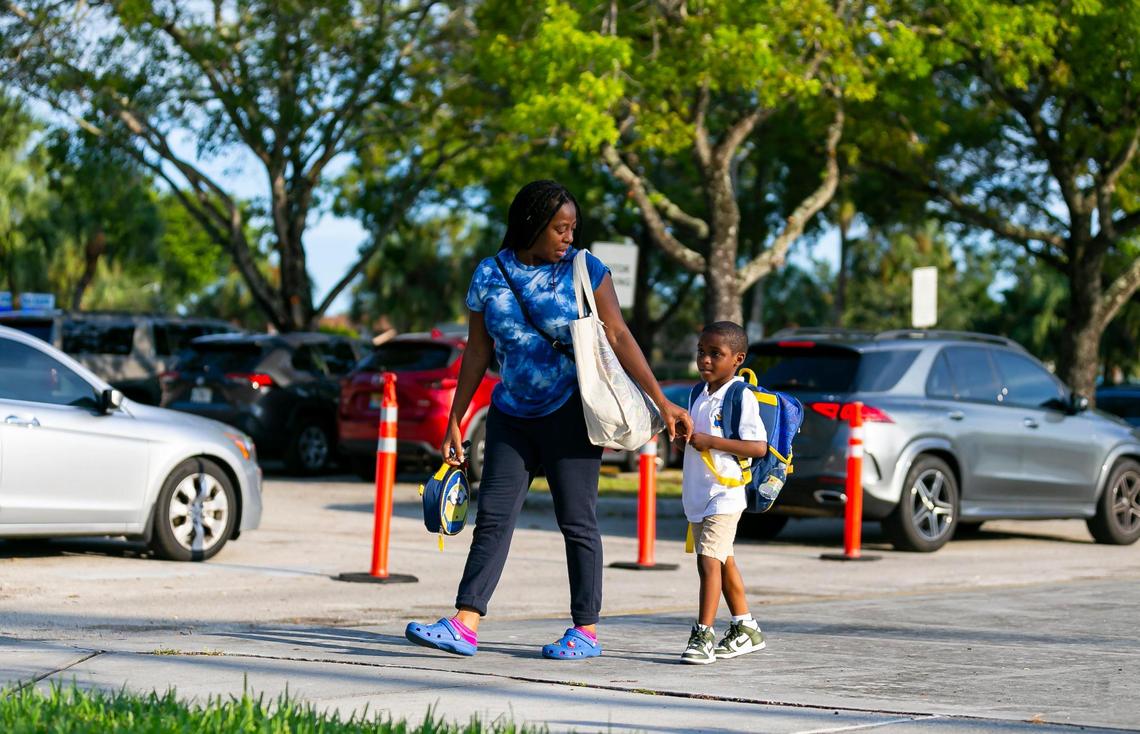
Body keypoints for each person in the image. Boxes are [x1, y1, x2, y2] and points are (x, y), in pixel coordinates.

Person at [405, 180, 692, 660]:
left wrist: (662, 401)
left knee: (577, 521)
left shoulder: (586, 269)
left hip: (570, 414)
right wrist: (457, 417)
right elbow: (477, 351)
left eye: (572, 227)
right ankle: (465, 623)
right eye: (560, 227)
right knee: (493, 519)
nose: (567, 236)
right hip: (510, 414)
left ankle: (586, 630)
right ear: (531, 224)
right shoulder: (489, 273)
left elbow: (619, 336)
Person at [679, 321, 768, 665]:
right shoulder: (697, 393)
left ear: (737, 360)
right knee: (724, 559)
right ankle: (746, 627)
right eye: (702, 351)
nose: (705, 359)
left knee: (708, 561)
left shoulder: (739, 395)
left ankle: (703, 634)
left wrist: (712, 441)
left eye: (716, 354)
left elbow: (758, 446)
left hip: (725, 493)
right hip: (698, 492)